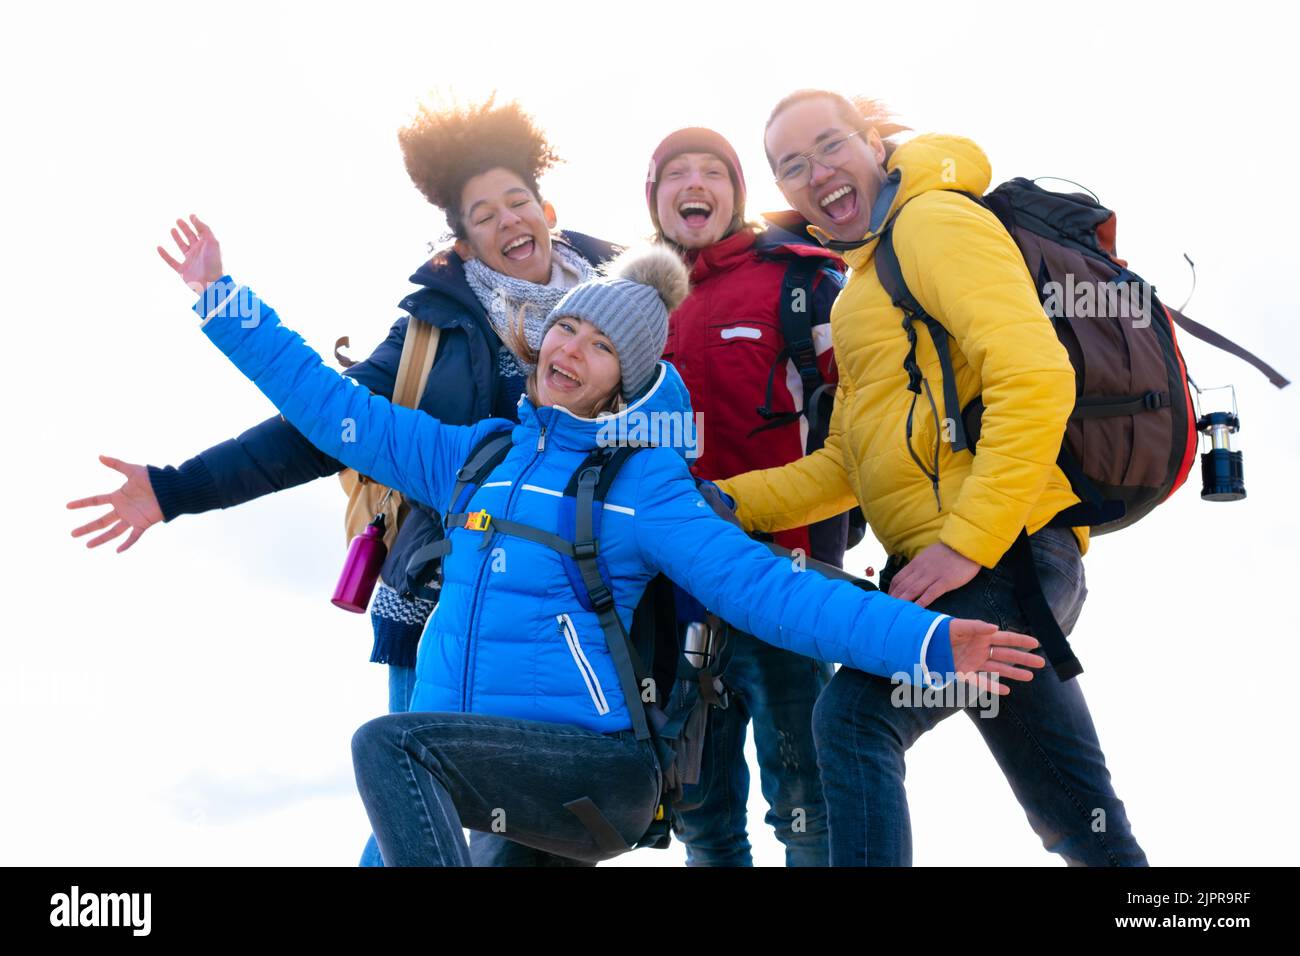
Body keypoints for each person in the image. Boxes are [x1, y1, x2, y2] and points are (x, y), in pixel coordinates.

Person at [155, 212, 1044, 866]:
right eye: (565, 329)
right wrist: (224, 302)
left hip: (590, 773)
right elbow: (335, 411)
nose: (569, 351)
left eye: (598, 347)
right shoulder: (476, 458)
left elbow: (772, 593)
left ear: (629, 381)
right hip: (485, 777)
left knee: (389, 743)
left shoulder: (639, 488)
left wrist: (929, 641)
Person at [65, 97, 616, 866]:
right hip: (438, 602)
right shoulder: (430, 332)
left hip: (579, 612)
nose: (507, 221)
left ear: (547, 208)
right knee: (415, 817)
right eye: (482, 214)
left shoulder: (628, 305)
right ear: (460, 244)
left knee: (536, 837)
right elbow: (323, 422)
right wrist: (177, 487)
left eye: (517, 201)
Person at [714, 89, 1148, 865]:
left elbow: (1034, 375)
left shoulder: (932, 221)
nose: (817, 172)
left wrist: (966, 545)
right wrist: (720, 502)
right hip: (972, 568)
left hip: (1005, 557)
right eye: (791, 165)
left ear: (873, 145)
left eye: (830, 145)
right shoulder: (862, 292)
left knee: (852, 721)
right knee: (1081, 820)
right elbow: (847, 464)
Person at [645, 128, 847, 866]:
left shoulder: (799, 281)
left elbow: (867, 417)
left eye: (712, 172)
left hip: (779, 584)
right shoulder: (629, 307)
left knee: (808, 809)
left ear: (736, 195)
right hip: (666, 600)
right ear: (652, 197)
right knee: (702, 819)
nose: (694, 183)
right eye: (675, 173)